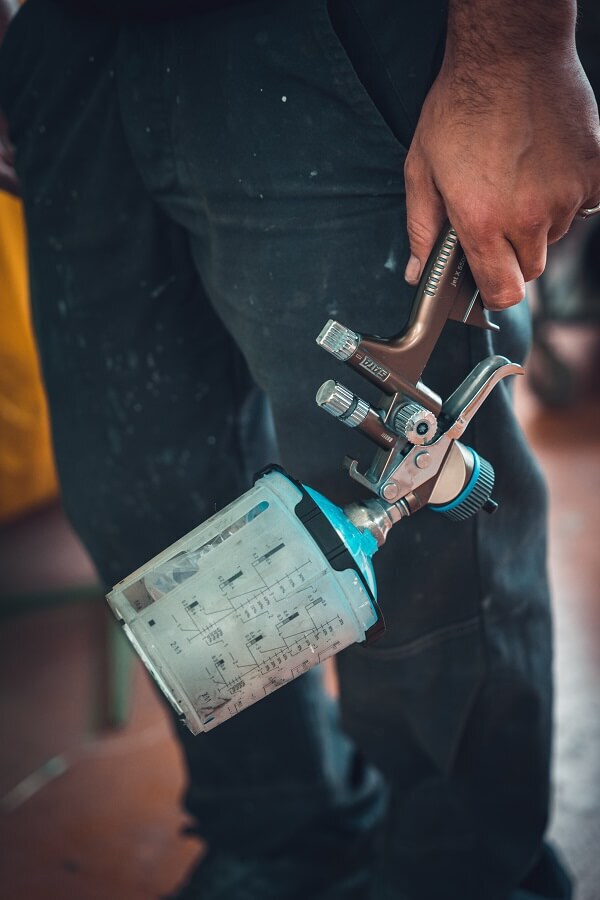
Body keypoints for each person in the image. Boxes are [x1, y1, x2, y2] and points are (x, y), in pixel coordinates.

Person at [0, 1, 598, 898]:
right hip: (72, 40)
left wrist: (515, 53)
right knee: (145, 500)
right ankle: (277, 842)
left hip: (321, 33)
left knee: (424, 548)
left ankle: (462, 872)